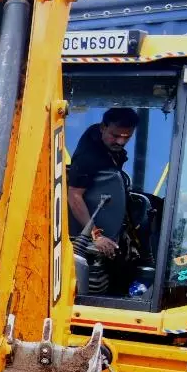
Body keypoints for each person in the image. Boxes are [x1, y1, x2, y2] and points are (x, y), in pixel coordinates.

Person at [68, 108, 139, 293]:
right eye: (115, 135)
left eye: (127, 137)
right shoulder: (88, 158)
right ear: (103, 127)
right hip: (89, 227)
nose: (121, 142)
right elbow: (74, 196)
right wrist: (96, 235)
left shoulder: (100, 136)